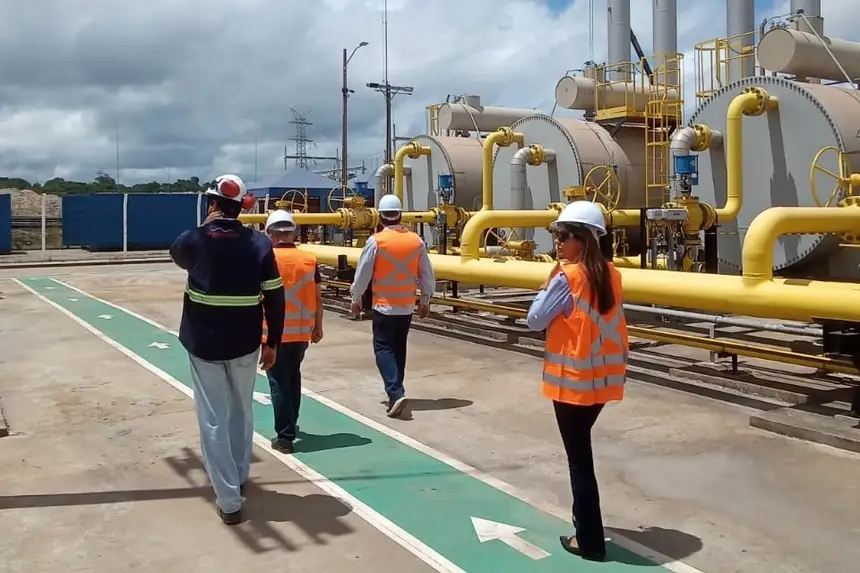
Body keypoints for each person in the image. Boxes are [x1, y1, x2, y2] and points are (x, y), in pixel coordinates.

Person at [169, 174, 285, 526]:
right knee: (241, 409)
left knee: (213, 419)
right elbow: (276, 296)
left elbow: (177, 254)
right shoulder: (259, 244)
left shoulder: (194, 239)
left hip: (204, 344)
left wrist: (207, 228)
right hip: (246, 343)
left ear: (213, 205)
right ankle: (239, 473)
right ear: (243, 207)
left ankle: (229, 500)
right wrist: (273, 341)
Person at [525, 200, 629, 562]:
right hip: (601, 382)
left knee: (579, 463)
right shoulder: (611, 275)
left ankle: (590, 542)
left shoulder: (567, 278)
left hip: (572, 384)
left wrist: (548, 283)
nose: (557, 241)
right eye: (556, 234)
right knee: (581, 457)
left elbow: (535, 320)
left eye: (563, 235)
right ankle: (582, 523)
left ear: (582, 240)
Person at [349, 194, 435, 418]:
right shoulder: (416, 241)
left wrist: (356, 297)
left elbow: (363, 273)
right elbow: (427, 273)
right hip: (406, 306)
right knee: (399, 349)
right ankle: (396, 392)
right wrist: (425, 300)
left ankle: (396, 393)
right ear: (400, 215)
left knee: (383, 349)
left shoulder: (376, 241)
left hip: (384, 306)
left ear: (380, 216)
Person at [262, 209, 324, 454]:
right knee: (293, 377)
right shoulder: (309, 259)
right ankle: (292, 422)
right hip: (301, 332)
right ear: (293, 232)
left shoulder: (265, 259)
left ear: (270, 233)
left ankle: (285, 436)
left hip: (273, 333)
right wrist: (318, 326)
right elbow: (318, 298)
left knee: (278, 382)